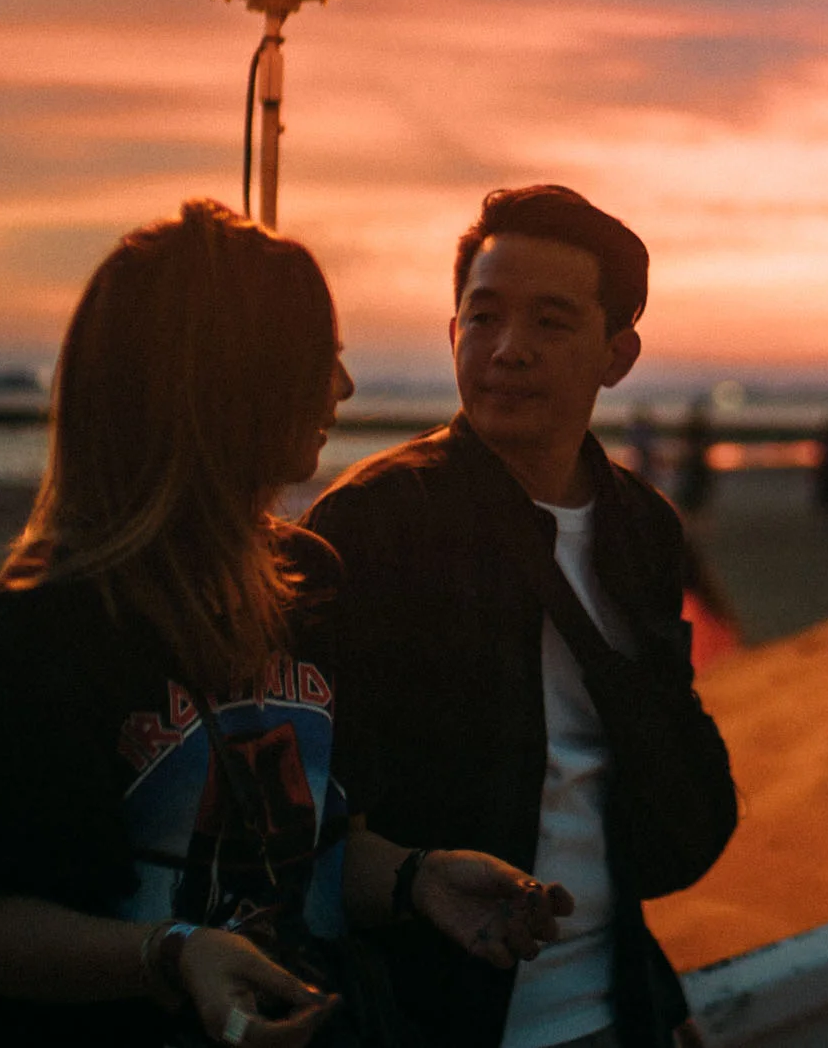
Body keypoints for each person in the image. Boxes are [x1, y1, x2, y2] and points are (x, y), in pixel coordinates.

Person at [0, 201, 560, 1048]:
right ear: (229, 382)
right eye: (319, 360)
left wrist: (416, 880)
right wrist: (168, 954)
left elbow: (315, 853)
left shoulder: (312, 582)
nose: (343, 387)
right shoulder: (47, 628)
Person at [305, 186, 738, 1048]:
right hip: (429, 1019)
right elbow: (306, 823)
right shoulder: (373, 524)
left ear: (618, 354)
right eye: (484, 317)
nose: (508, 351)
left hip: (611, 1008)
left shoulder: (642, 529)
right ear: (452, 330)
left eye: (550, 322)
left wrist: (655, 995)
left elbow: (608, 783)